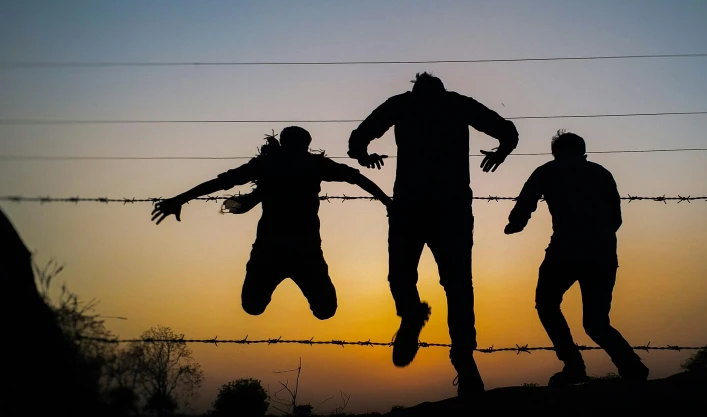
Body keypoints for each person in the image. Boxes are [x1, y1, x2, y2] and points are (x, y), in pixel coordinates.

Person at [347, 72, 519, 396]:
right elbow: (508, 131)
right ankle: (464, 360)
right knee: (457, 286)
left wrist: (363, 156)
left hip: (411, 205)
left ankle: (412, 315)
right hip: (450, 207)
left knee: (401, 275)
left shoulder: (402, 104)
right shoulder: (456, 104)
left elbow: (358, 138)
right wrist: (500, 153)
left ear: (415, 90)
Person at [151, 126, 394, 321]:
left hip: (281, 250)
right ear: (304, 144)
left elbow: (220, 182)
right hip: (295, 250)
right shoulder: (308, 164)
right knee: (279, 308)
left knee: (308, 310)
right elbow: (357, 178)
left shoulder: (271, 164)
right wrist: (387, 202)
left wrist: (180, 198)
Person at [504, 130, 649, 386]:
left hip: (564, 251)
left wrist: (516, 223)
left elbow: (527, 200)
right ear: (583, 151)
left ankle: (573, 366)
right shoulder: (601, 173)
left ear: (555, 152)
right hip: (602, 252)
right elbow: (616, 218)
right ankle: (630, 365)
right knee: (596, 322)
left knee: (546, 304)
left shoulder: (548, 171)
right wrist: (599, 236)